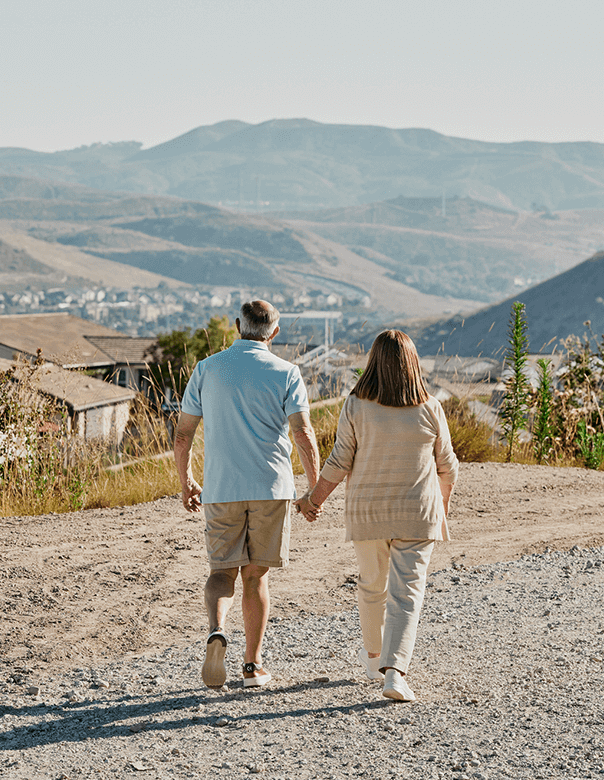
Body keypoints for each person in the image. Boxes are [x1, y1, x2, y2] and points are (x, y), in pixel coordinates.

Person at [297, 329, 457, 702]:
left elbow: (339, 461)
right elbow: (448, 467)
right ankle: (395, 674)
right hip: (417, 513)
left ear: (373, 363)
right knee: (407, 595)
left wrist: (313, 500)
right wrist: (440, 509)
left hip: (368, 513)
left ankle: (373, 660)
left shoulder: (356, 405)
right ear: (413, 364)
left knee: (372, 587)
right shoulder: (430, 407)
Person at [174, 300, 321, 689]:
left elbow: (183, 434)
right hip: (270, 488)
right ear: (274, 332)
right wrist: (313, 491)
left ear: (237, 325)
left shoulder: (207, 369)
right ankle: (253, 665)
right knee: (255, 577)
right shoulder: (287, 372)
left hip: (220, 489)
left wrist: (187, 480)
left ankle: (217, 630)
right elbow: (303, 434)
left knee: (221, 571)